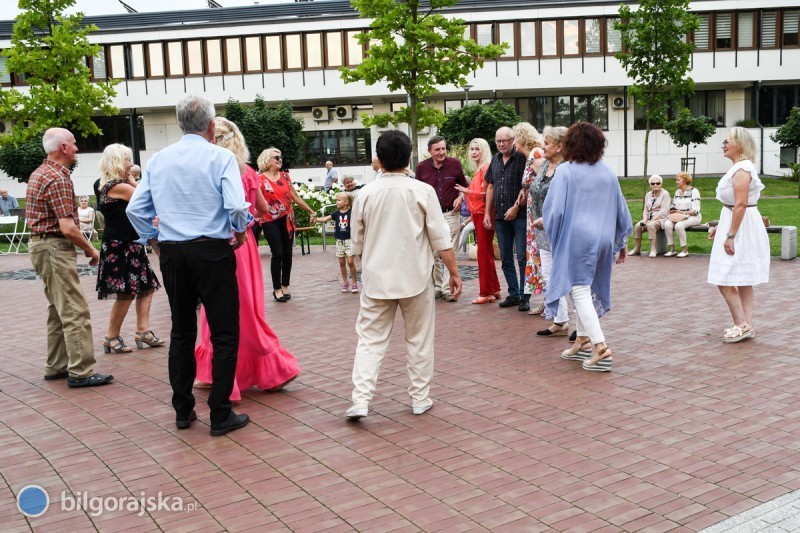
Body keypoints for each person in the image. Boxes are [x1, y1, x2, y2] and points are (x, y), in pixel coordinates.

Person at [126, 94, 251, 437]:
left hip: (174, 252)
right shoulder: (221, 157)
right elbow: (237, 205)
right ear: (211, 126)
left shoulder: (158, 159)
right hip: (212, 249)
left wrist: (152, 238)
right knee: (225, 332)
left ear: (181, 124)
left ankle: (183, 409)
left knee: (181, 331)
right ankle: (220, 413)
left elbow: (135, 209)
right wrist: (239, 231)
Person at [345, 130, 462, 420]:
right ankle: (420, 398)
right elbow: (440, 237)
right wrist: (454, 272)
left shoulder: (364, 194)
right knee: (419, 339)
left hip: (377, 279)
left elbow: (356, 242)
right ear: (409, 157)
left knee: (370, 340)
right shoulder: (422, 191)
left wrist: (367, 263)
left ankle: (360, 400)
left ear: (379, 160)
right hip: (417, 277)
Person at [194, 117, 301, 397]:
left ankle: (210, 372)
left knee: (213, 308)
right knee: (245, 308)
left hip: (211, 243)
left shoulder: (203, 169)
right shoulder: (246, 171)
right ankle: (268, 369)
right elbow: (261, 208)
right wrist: (248, 215)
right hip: (241, 245)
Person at [25, 128, 114, 388]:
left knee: (58, 309)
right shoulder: (58, 177)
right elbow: (68, 228)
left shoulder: (40, 172)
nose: (77, 148)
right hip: (54, 248)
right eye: (74, 144)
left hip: (42, 247)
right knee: (75, 310)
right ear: (63, 147)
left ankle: (57, 365)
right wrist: (92, 249)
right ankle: (81, 371)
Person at [544, 122, 632, 372]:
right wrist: (620, 241)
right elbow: (621, 209)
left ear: (570, 144)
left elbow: (555, 211)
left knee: (578, 289)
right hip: (603, 238)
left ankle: (600, 348)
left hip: (577, 238)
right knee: (585, 287)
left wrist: (551, 232)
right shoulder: (607, 171)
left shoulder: (566, 171)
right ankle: (581, 340)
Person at [95, 144, 164, 354]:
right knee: (126, 293)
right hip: (120, 245)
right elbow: (145, 199)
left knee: (147, 286)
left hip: (130, 243)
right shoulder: (117, 185)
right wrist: (132, 179)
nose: (131, 164)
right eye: (127, 160)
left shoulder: (103, 183)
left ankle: (142, 330)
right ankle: (111, 336)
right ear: (116, 161)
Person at [707, 127, 770, 343]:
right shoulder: (740, 168)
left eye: (728, 141)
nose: (723, 145)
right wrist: (720, 227)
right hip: (737, 221)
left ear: (740, 145)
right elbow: (733, 204)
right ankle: (746, 325)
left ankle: (741, 324)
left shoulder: (742, 169)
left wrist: (731, 235)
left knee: (722, 276)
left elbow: (741, 204)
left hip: (741, 226)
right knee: (742, 279)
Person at [256, 147, 317, 302]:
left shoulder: (285, 176)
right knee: (278, 253)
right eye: (276, 158)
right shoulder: (260, 179)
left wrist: (311, 211)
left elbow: (295, 197)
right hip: (269, 220)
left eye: (281, 157)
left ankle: (285, 286)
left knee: (288, 254)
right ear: (267, 161)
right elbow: (256, 201)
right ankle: (276, 289)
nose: (280, 160)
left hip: (287, 219)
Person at [415, 135, 468, 302]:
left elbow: (463, 186)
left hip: (451, 213)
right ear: (429, 151)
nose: (441, 152)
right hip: (431, 215)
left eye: (443, 148)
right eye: (437, 149)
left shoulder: (455, 164)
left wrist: (460, 197)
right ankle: (438, 285)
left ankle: (446, 288)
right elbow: (418, 190)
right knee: (435, 251)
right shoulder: (422, 168)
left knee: (449, 248)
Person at [530, 126, 571, 335]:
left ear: (560, 146)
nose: (542, 146)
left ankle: (581, 326)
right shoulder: (545, 163)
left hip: (560, 229)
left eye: (547, 143)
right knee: (548, 275)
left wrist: (547, 218)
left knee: (570, 277)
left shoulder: (569, 168)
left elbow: (568, 201)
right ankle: (560, 319)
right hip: (542, 230)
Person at [485, 126, 528, 309]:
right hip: (500, 216)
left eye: (505, 140)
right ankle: (514, 294)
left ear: (513, 140)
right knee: (506, 258)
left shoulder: (523, 159)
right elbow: (490, 187)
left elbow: (526, 187)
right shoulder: (494, 160)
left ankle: (525, 297)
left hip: (519, 216)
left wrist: (516, 207)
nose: (502, 144)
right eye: (499, 141)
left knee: (522, 258)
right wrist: (487, 212)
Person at [455, 138, 500, 304]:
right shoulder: (481, 168)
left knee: (483, 253)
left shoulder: (485, 168)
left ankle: (485, 291)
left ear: (484, 151)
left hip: (484, 213)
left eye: (477, 149)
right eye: (472, 149)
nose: (474, 152)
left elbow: (486, 193)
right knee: (486, 252)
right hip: (479, 213)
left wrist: (466, 191)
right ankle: (494, 288)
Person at [515, 122, 545, 314]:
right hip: (532, 210)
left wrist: (528, 190)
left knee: (542, 255)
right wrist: (524, 191)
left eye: (515, 138)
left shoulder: (536, 154)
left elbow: (546, 180)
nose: (513, 142)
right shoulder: (530, 156)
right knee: (538, 256)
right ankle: (547, 302)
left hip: (538, 211)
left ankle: (551, 304)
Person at [315, 191, 358, 293]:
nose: (336, 202)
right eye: (336, 200)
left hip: (349, 240)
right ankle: (345, 282)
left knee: (350, 262)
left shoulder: (351, 212)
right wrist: (316, 219)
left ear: (346, 202)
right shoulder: (336, 213)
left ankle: (354, 282)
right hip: (339, 241)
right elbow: (325, 218)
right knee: (341, 262)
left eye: (339, 200)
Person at [629, 174, 670, 258]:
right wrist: (644, 220)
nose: (655, 185)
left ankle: (653, 249)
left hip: (661, 219)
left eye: (658, 183)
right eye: (653, 183)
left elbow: (663, 212)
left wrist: (650, 222)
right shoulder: (648, 195)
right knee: (637, 226)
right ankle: (637, 249)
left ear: (661, 184)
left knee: (651, 226)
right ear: (650, 185)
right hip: (649, 218)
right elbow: (645, 210)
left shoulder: (665, 194)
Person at [663, 171, 702, 258]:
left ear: (685, 180)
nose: (676, 182)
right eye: (676, 180)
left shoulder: (694, 191)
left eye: (678, 180)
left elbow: (696, 211)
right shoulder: (677, 192)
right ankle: (672, 249)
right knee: (667, 224)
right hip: (679, 216)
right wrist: (672, 210)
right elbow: (674, 205)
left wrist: (681, 212)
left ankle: (684, 250)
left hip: (693, 217)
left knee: (679, 226)